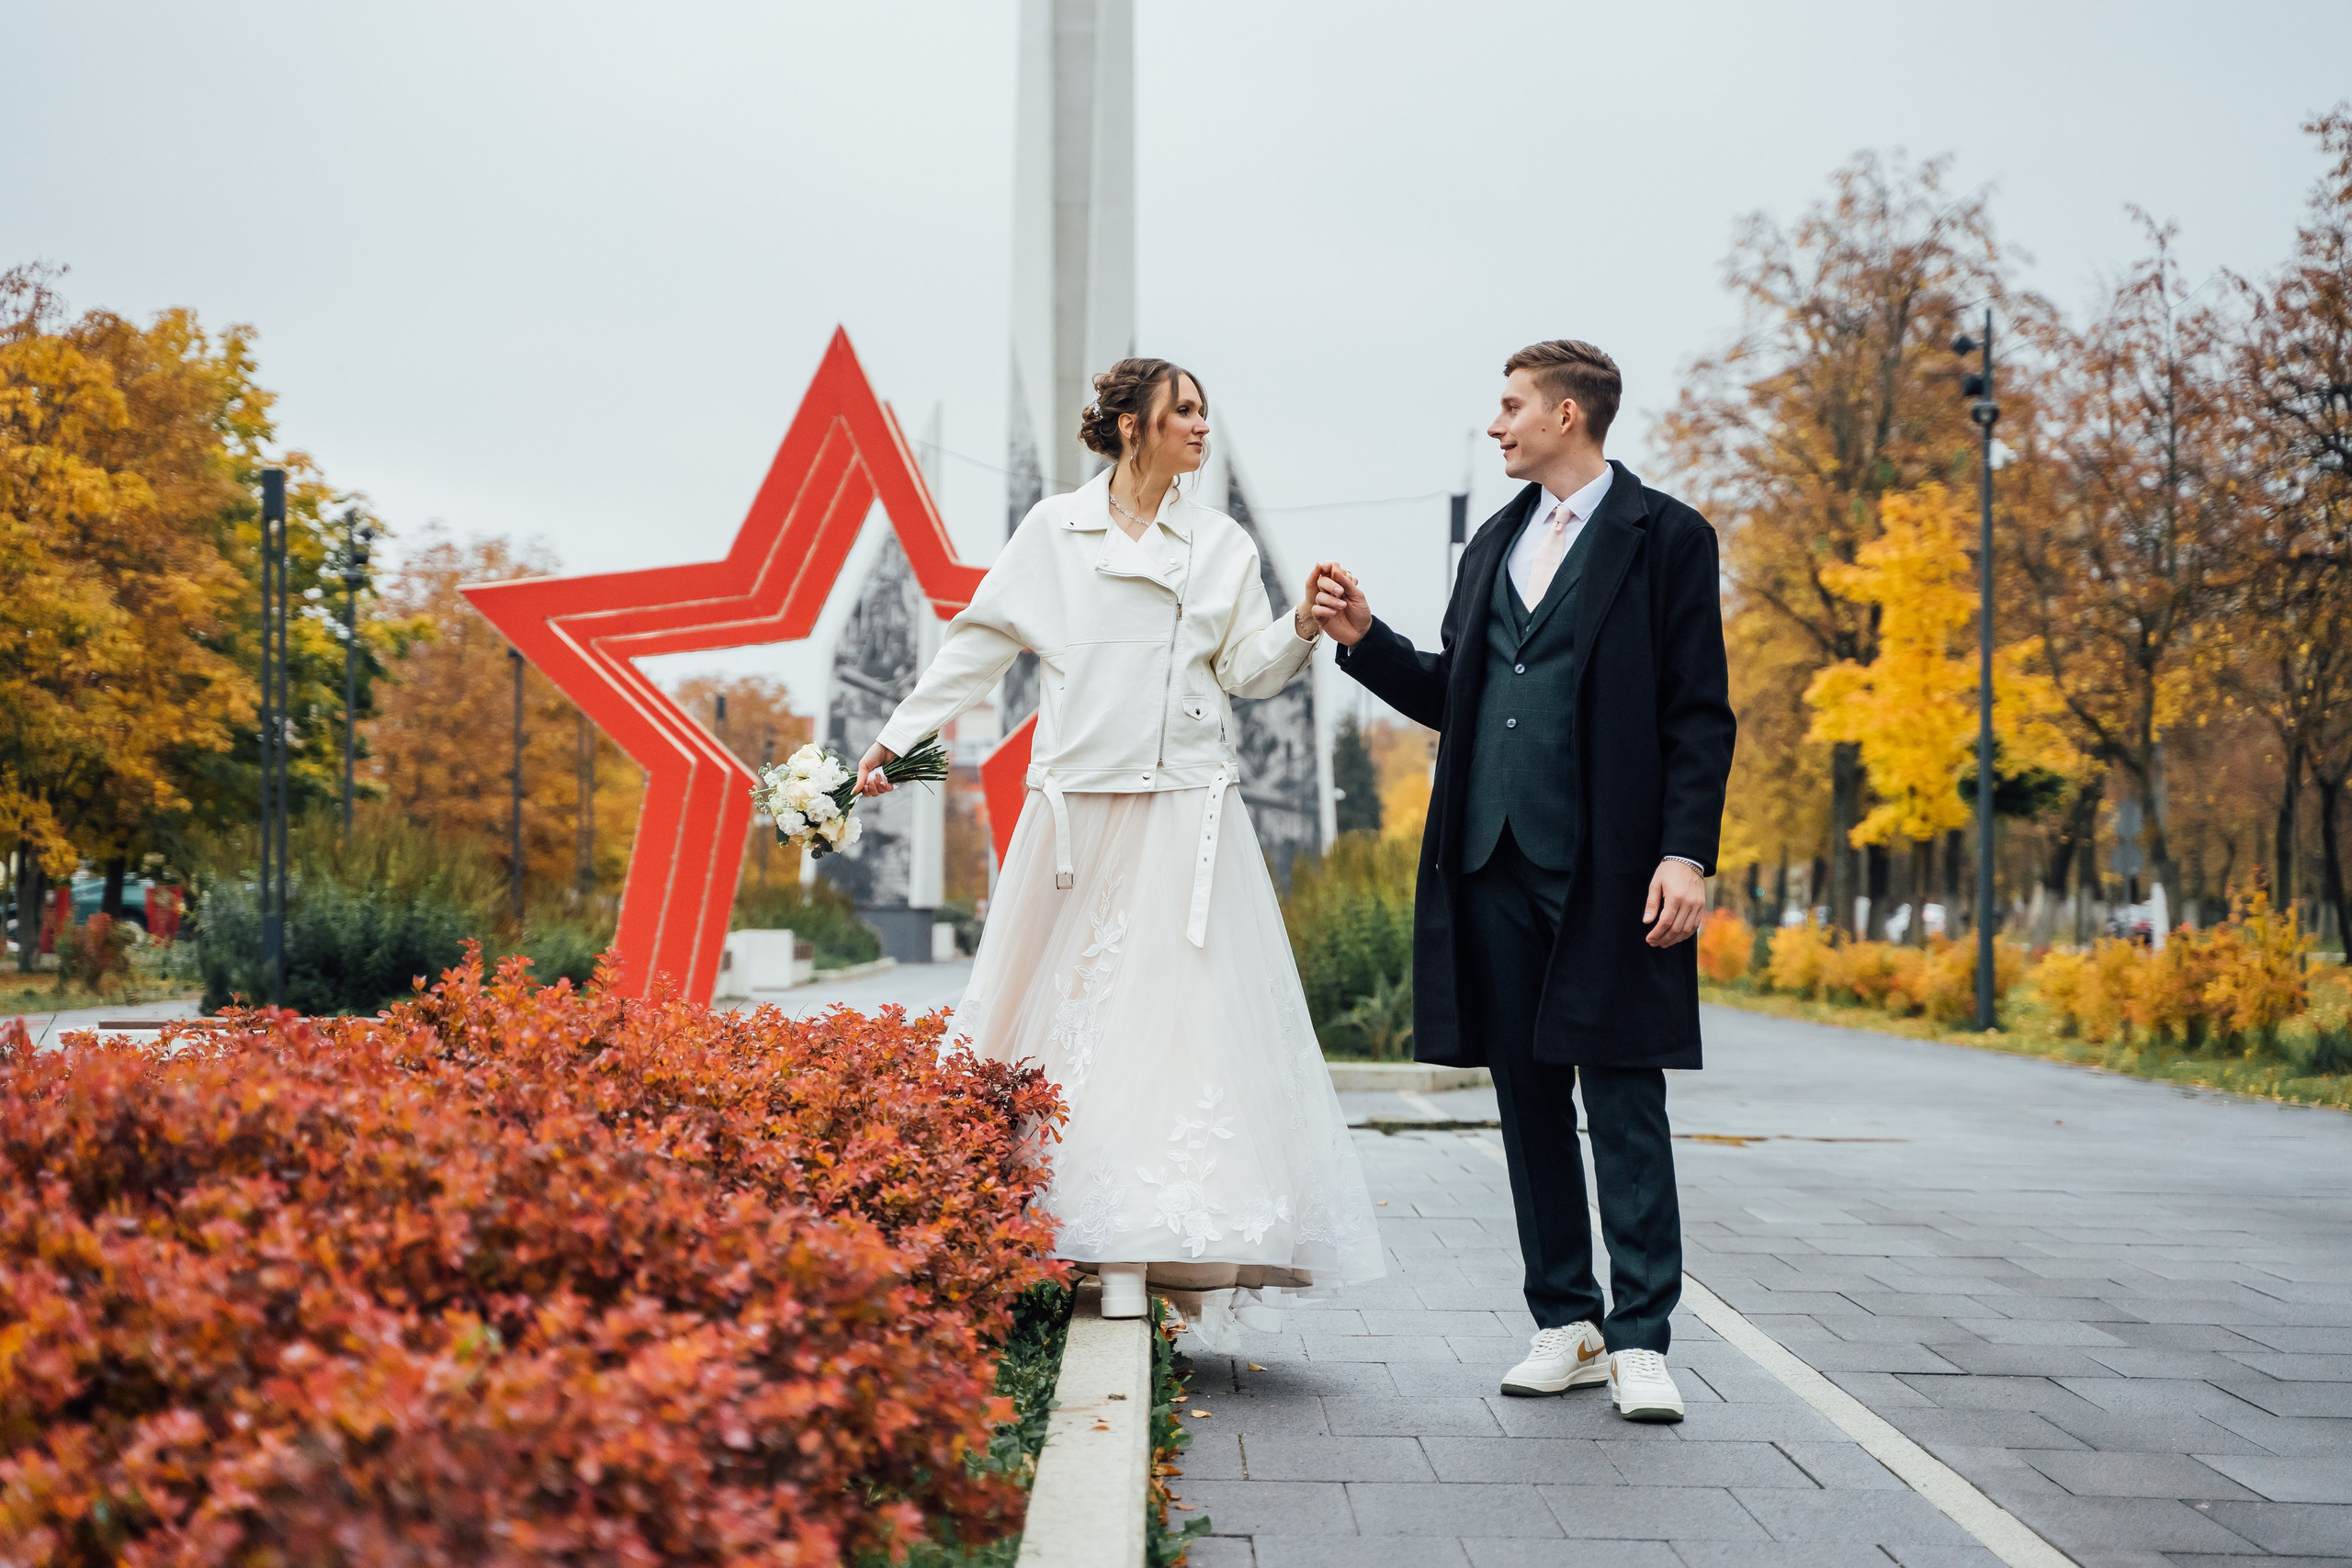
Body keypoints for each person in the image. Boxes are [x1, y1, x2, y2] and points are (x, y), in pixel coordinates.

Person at [859, 357, 1385, 1345]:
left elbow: (1243, 671)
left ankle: (1136, 1250)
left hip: (1190, 815)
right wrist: (895, 740)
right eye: (1183, 411)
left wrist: (1303, 629)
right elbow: (975, 644)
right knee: (1055, 1026)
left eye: (1203, 412)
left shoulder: (1220, 542)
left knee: (1171, 1030)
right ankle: (1055, 1234)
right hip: (1076, 818)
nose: (1200, 426)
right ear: (1133, 426)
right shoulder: (1054, 532)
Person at [1311, 340, 1735, 1422]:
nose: (1495, 426)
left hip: (1611, 867)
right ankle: (1568, 1322)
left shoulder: (1667, 538)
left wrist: (1686, 854)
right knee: (1527, 1101)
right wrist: (1366, 642)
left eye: (1508, 408)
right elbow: (1463, 691)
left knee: (1623, 1095)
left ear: (1565, 413)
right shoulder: (1493, 543)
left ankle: (1643, 1337)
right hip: (1489, 857)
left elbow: (1698, 713)